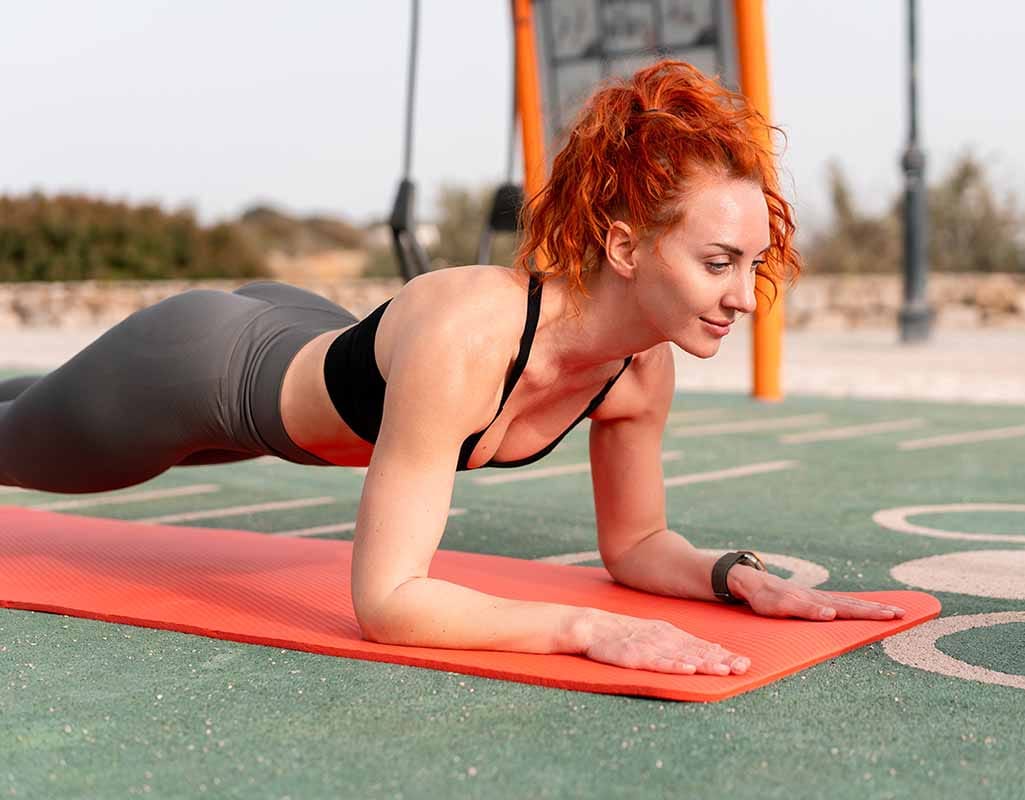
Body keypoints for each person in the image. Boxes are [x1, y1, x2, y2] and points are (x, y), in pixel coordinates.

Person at [0, 60, 904, 678]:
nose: (746, 297)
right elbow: (389, 601)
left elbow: (635, 546)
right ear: (625, 246)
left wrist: (732, 575)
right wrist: (584, 630)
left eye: (752, 265)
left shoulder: (637, 371)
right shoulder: (473, 335)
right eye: (718, 263)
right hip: (201, 371)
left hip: (307, 345)